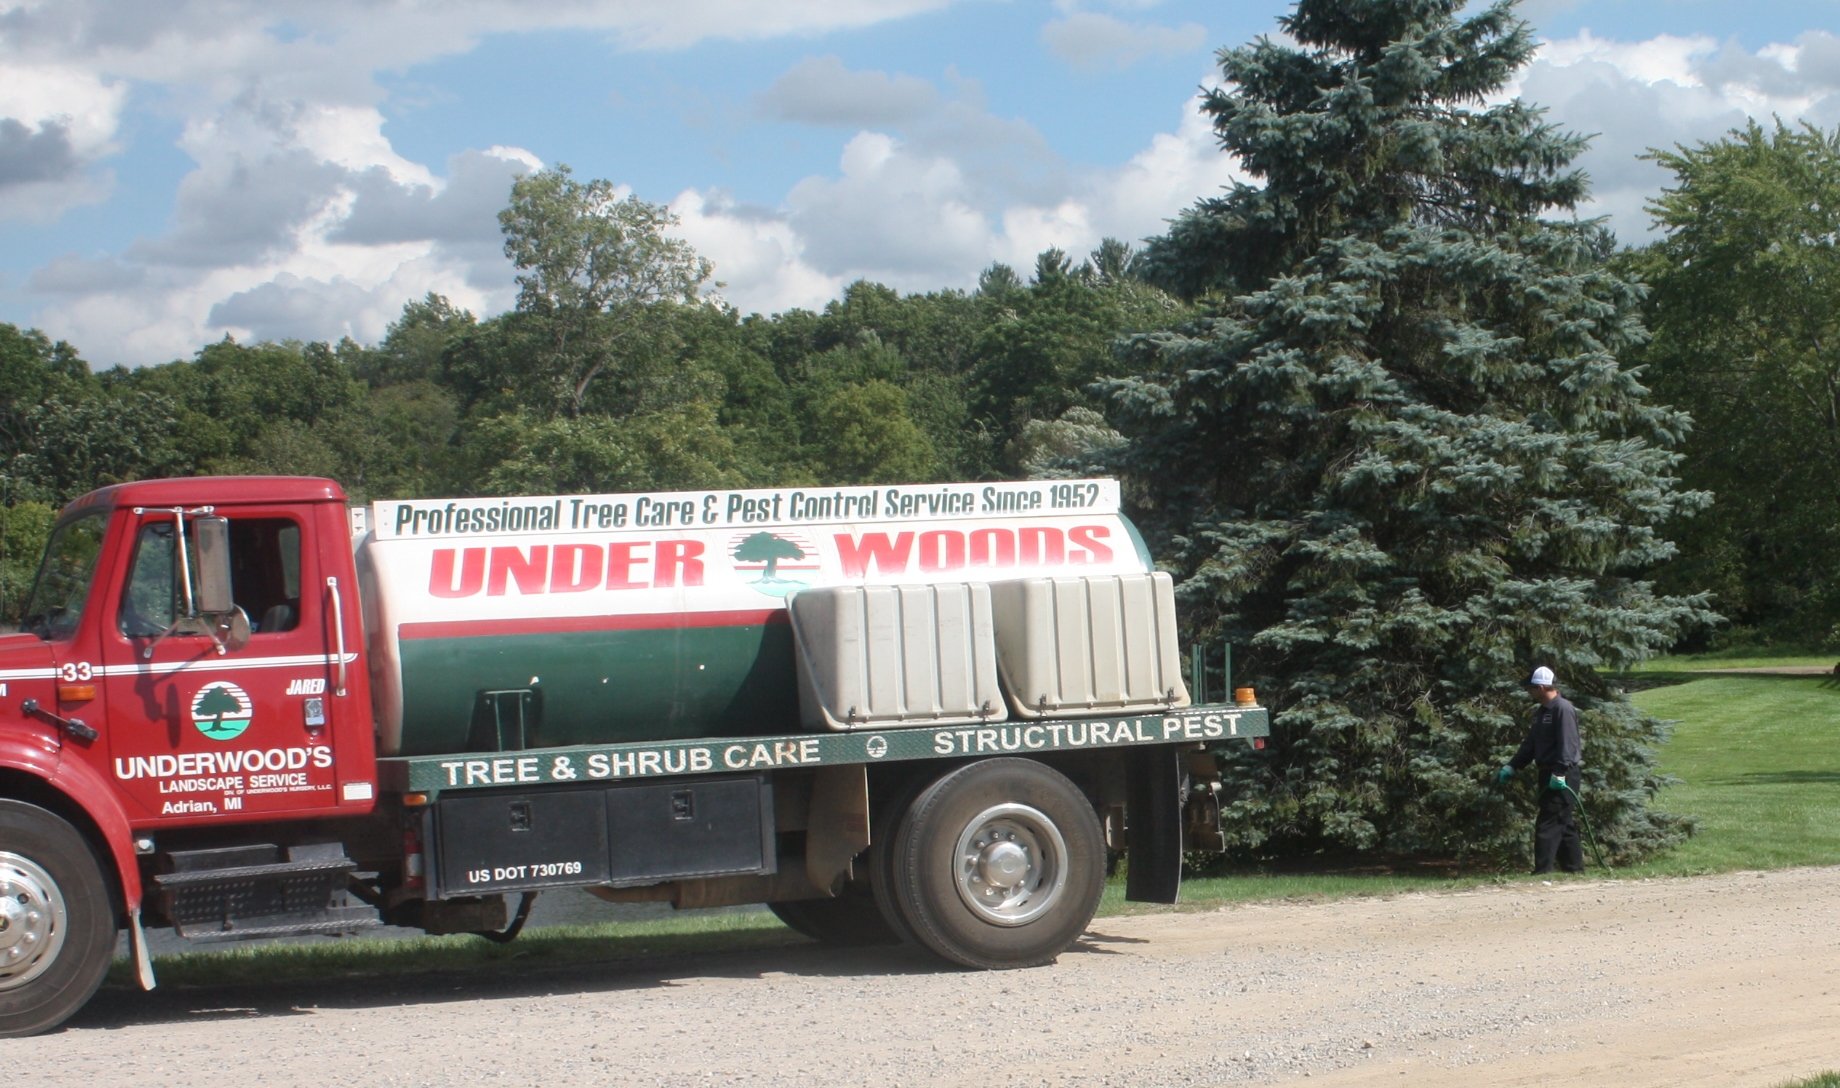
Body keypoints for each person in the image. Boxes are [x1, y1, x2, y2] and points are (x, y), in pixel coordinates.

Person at [1494, 665, 1584, 874]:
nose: (1530, 692)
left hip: (1562, 775)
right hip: (1547, 773)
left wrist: (1560, 772)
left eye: (1532, 688)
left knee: (1548, 822)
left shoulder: (1563, 709)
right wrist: (1512, 766)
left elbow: (1567, 744)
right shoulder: (1541, 712)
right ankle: (1574, 869)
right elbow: (1530, 745)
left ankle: (1542, 871)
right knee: (1564, 822)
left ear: (1542, 687)